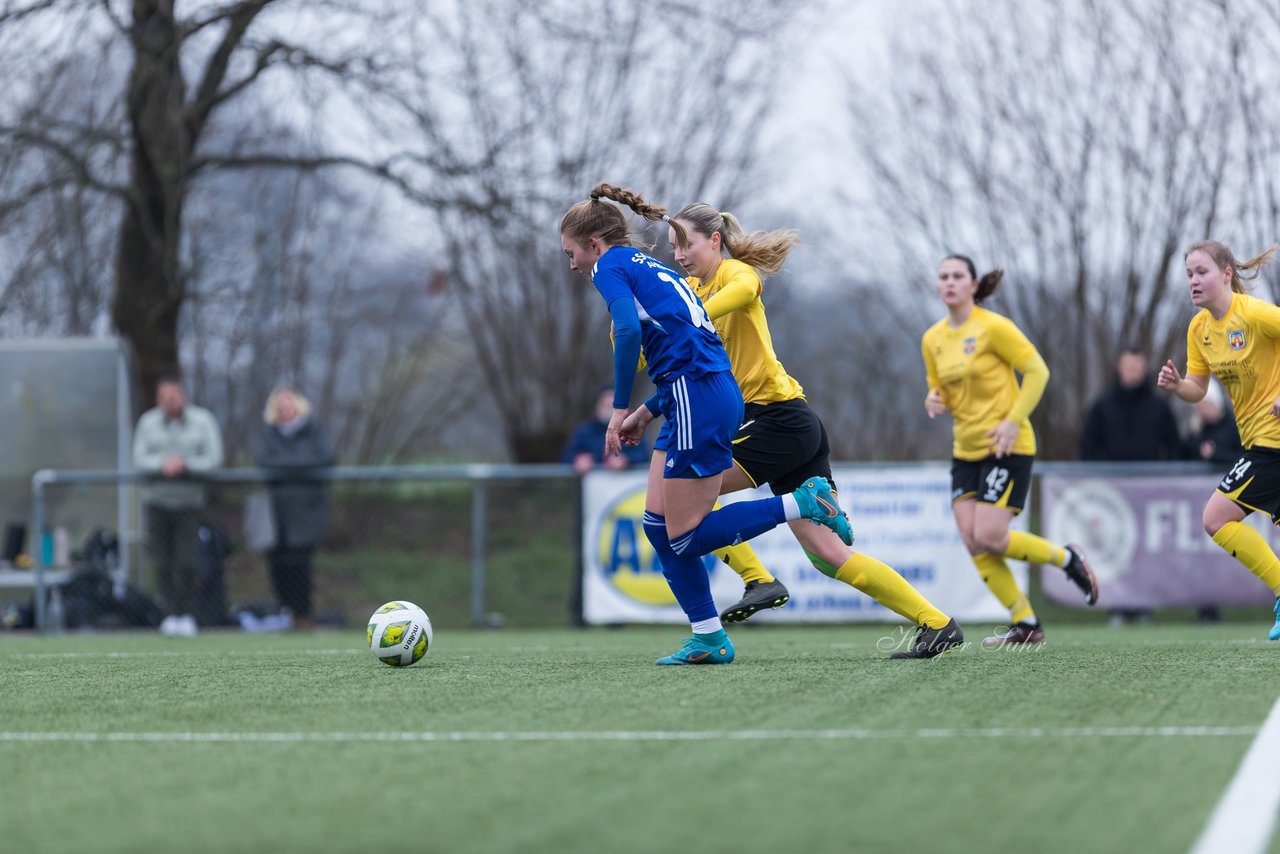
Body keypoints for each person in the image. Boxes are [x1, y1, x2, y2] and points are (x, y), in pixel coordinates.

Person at [619, 202, 962, 658]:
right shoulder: (688, 292)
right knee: (827, 557)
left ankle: (758, 578)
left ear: (715, 240)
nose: (679, 254)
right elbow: (688, 372)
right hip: (788, 426)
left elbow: (742, 292)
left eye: (687, 243)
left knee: (680, 497)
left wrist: (685, 311)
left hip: (777, 421)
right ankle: (938, 623)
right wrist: (648, 406)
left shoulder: (736, 275)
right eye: (674, 246)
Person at [560, 182, 852, 665]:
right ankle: (709, 635)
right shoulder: (645, 263)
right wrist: (646, 412)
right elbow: (683, 345)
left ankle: (804, 501)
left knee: (686, 534)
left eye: (571, 252)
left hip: (698, 398)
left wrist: (617, 410)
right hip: (693, 394)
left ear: (593, 245)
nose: (571, 263)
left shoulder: (609, 266)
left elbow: (631, 331)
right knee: (658, 525)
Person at [922, 255, 1099, 647]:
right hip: (965, 450)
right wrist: (934, 399)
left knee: (989, 534)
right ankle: (1026, 623)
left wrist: (1013, 419)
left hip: (1007, 445)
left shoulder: (993, 328)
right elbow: (940, 389)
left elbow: (1038, 371)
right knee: (973, 540)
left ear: (973, 285)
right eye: (943, 277)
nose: (949, 283)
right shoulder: (932, 338)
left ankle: (1068, 560)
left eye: (957, 276)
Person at [1157, 239, 1280, 641]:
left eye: (1201, 272)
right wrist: (1179, 387)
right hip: (1259, 442)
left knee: (1216, 516)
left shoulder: (1255, 314)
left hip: (1272, 441)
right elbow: (1198, 387)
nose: (1193, 281)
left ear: (1227, 274)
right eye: (1189, 274)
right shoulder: (1199, 329)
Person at [132, 374, 224, 634]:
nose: (170, 401)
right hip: (157, 501)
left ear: (183, 396)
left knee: (187, 562)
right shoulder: (147, 422)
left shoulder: (202, 421)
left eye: (175, 396)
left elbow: (213, 458)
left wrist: (186, 465)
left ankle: (186, 614)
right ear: (158, 399)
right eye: (165, 397)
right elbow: (138, 458)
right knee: (162, 562)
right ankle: (168, 614)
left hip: (189, 503)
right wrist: (163, 465)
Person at [255, 387, 336, 631]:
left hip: (307, 510)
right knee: (278, 563)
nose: (285, 407)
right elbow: (265, 463)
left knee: (301, 564)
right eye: (280, 403)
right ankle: (285, 612)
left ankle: (303, 615)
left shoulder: (314, 430)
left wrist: (287, 467)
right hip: (276, 511)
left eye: (289, 401)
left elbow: (325, 459)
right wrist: (300, 466)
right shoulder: (269, 434)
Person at [1080, 347, 1184, 462]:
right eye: (1129, 366)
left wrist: (1167, 475)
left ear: (1145, 369)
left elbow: (1175, 447)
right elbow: (1087, 447)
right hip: (1110, 477)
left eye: (1137, 367)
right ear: (1119, 367)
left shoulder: (1160, 408)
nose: (1133, 371)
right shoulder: (1101, 407)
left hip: (1151, 477)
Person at [562, 386, 650, 474]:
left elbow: (643, 455)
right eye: (605, 405)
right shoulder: (584, 431)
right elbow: (567, 456)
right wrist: (578, 459)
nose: (608, 410)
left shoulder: (631, 430)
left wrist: (626, 460)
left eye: (612, 406)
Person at [1185, 378, 1243, 464]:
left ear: (1216, 404)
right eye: (1200, 407)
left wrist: (1215, 454)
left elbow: (1242, 456)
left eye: (1206, 405)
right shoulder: (1199, 429)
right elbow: (1186, 454)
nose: (1203, 411)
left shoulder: (1233, 426)